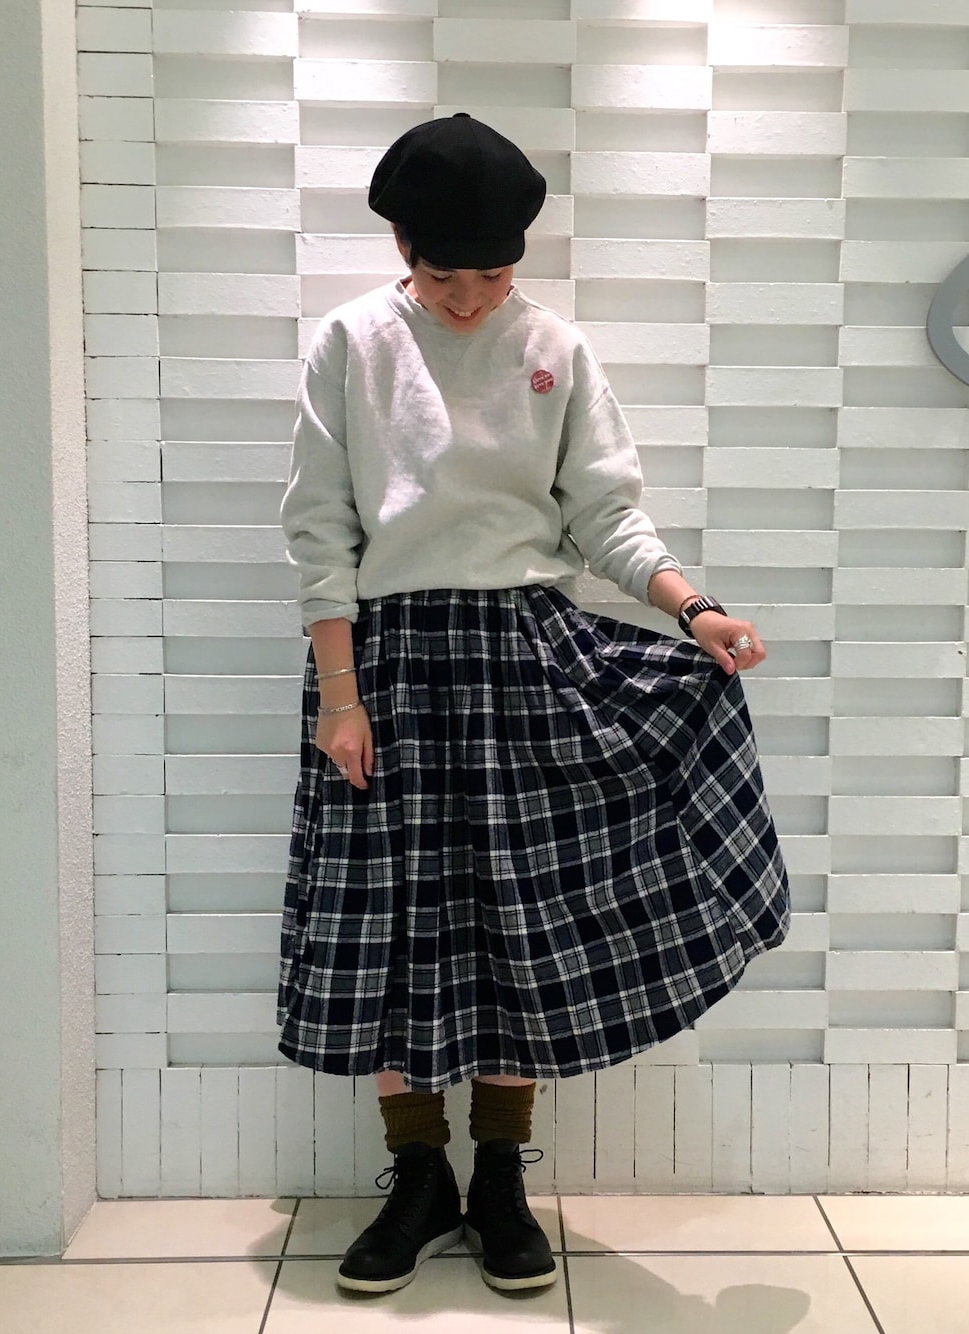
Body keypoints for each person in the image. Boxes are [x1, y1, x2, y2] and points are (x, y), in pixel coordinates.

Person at [278, 113, 790, 1296]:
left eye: (493, 275)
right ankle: (419, 1176)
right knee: (392, 917)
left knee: (526, 914)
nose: (467, 299)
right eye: (442, 276)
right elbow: (319, 529)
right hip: (386, 663)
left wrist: (692, 609)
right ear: (402, 248)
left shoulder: (554, 344)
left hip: (526, 649)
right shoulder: (352, 341)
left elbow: (604, 514)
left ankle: (501, 1172)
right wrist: (340, 695)